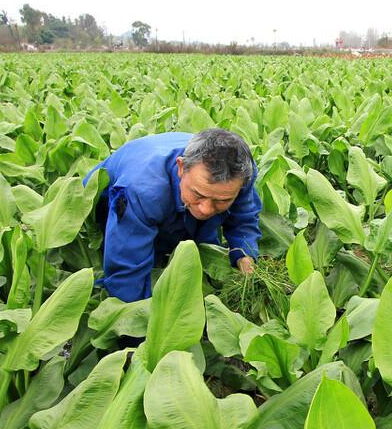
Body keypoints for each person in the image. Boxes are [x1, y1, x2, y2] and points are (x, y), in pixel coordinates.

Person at [86, 128, 262, 302]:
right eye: (199, 195)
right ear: (181, 168)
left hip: (171, 200)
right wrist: (138, 319)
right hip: (110, 207)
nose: (205, 210)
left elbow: (244, 217)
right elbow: (126, 273)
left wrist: (245, 256)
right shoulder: (143, 190)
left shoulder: (240, 172)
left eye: (222, 200)